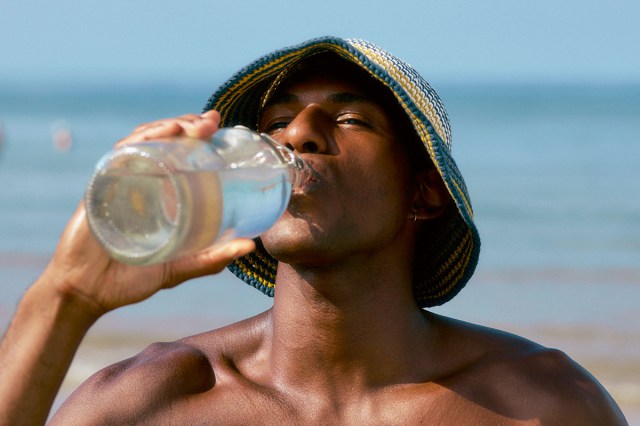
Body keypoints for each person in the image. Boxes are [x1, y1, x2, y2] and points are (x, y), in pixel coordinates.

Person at [0, 37, 627, 425]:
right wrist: (64, 300)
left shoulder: (541, 404)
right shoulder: (153, 401)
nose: (297, 133)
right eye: (275, 122)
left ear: (425, 192)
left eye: (350, 117)